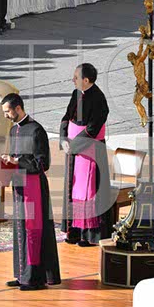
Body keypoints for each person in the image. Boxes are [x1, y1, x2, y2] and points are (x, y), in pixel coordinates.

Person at [1, 93, 61, 291]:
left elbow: (43, 163)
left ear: (18, 108)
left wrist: (17, 161)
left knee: (33, 230)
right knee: (20, 229)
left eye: (7, 112)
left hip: (33, 185)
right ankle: (22, 275)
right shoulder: (13, 130)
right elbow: (15, 158)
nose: (6, 116)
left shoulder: (36, 130)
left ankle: (34, 278)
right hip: (19, 184)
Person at [60, 63, 113, 246]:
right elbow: (66, 117)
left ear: (86, 80)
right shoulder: (76, 93)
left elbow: (92, 128)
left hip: (90, 150)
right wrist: (63, 139)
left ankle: (89, 235)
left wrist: (73, 145)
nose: (72, 80)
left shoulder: (99, 99)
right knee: (73, 189)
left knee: (88, 192)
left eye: (76, 77)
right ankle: (74, 231)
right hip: (73, 149)